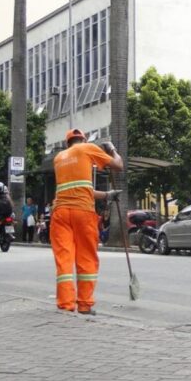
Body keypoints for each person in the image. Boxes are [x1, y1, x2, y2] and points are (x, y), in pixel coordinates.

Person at [51, 129, 123, 315]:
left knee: (64, 260)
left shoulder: (59, 158)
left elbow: (80, 188)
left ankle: (66, 305)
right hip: (82, 213)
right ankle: (84, 305)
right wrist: (112, 149)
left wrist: (107, 195)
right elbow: (118, 165)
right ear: (82, 140)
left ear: (68, 143)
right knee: (86, 258)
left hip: (60, 214)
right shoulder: (87, 149)